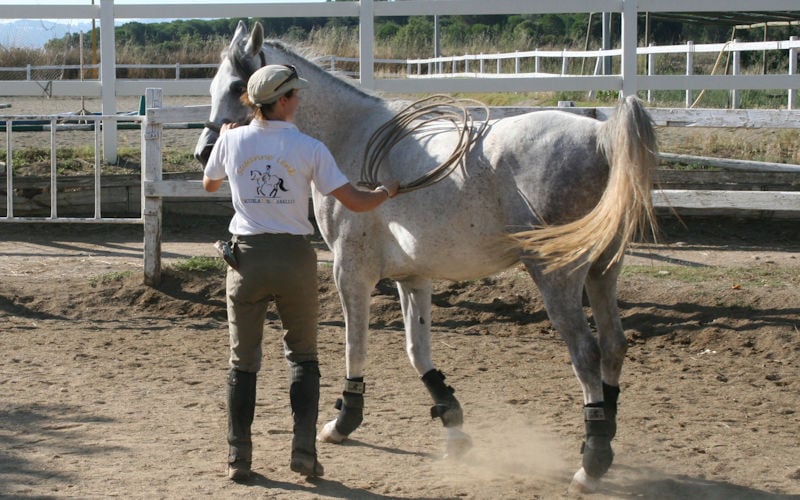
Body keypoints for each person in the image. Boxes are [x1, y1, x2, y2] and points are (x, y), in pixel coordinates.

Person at [202, 64, 399, 481]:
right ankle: (304, 452)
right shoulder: (311, 147)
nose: (299, 100)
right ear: (284, 100)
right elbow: (357, 202)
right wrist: (386, 192)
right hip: (294, 258)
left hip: (247, 259)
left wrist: (224, 141)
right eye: (295, 94)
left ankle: (239, 457)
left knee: (243, 361)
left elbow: (210, 185)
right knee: (303, 357)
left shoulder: (232, 140)